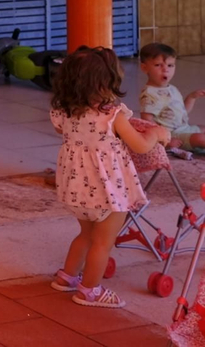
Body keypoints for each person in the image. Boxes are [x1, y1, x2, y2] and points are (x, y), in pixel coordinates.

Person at [49, 46, 165, 308]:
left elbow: (66, 132)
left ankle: (67, 277)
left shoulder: (64, 113)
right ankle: (90, 291)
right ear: (105, 83)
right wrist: (156, 134)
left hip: (77, 191)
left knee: (85, 235)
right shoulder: (113, 116)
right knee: (103, 243)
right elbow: (141, 146)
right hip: (108, 193)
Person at [137, 42, 205, 156]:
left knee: (202, 129)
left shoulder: (171, 88)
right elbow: (147, 123)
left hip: (184, 128)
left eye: (170, 65)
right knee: (201, 139)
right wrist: (166, 141)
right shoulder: (149, 94)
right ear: (144, 68)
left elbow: (182, 111)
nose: (165, 70)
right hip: (172, 135)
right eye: (158, 65)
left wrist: (192, 97)